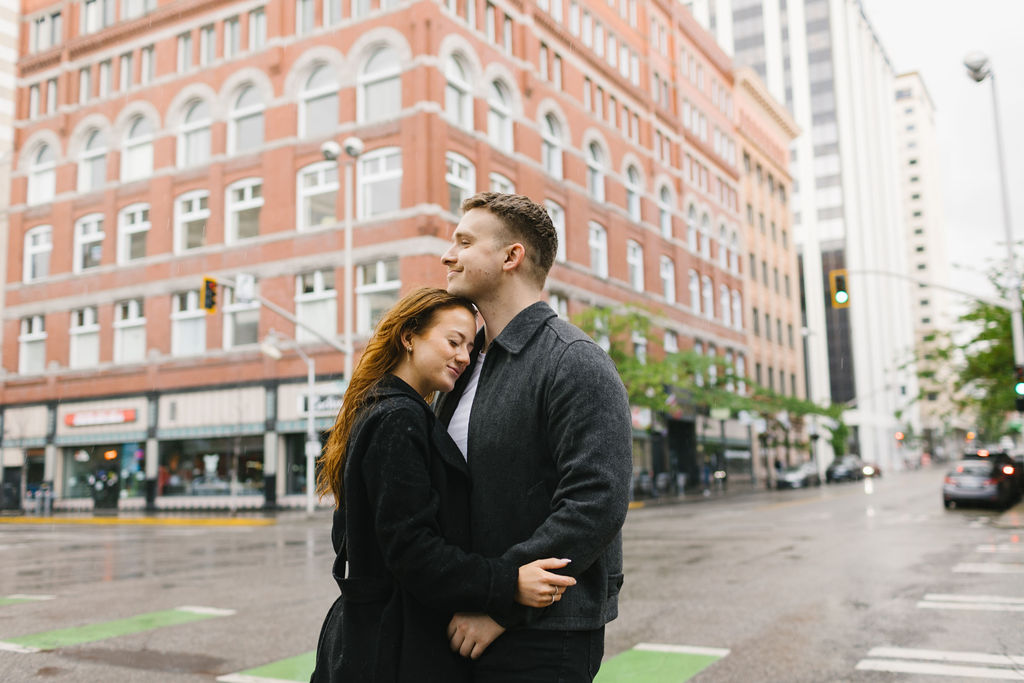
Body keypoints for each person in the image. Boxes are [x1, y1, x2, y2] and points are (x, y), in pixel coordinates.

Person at [310, 287, 577, 683]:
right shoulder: (397, 418)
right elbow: (411, 550)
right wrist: (508, 583)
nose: (464, 357)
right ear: (409, 337)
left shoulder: (389, 408)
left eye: (470, 347)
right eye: (453, 341)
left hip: (374, 638)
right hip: (394, 647)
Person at [438, 193, 633, 682]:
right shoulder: (465, 367)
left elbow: (596, 500)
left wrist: (501, 604)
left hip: (545, 637)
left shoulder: (574, 360)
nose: (448, 254)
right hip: (462, 623)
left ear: (511, 257)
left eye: (464, 241)